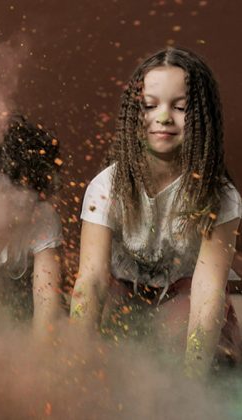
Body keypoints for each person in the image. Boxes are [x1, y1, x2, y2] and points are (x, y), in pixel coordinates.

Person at [70, 47, 241, 377]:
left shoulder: (220, 196)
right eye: (150, 106)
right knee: (110, 347)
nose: (163, 117)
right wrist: (75, 369)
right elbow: (90, 281)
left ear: (202, 118)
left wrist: (192, 384)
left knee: (195, 351)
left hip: (181, 295)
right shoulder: (107, 186)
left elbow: (207, 293)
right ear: (135, 114)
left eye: (180, 107)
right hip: (122, 293)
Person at [0, 114, 65, 338]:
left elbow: (47, 303)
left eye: (24, 191)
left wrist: (37, 363)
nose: (13, 202)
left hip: (20, 312)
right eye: (2, 191)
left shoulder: (42, 217)